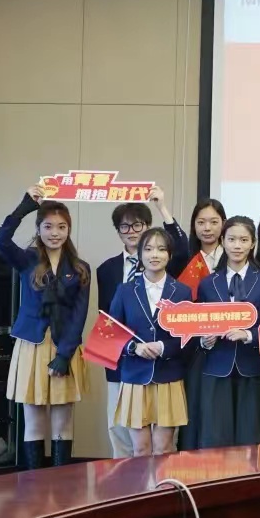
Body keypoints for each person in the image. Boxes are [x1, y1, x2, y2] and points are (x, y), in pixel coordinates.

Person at [0, 185, 90, 469]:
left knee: (63, 422)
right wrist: (26, 206)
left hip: (65, 348)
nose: (55, 233)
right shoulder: (27, 260)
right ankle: (32, 485)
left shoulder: (80, 267)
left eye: (62, 227)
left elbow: (79, 315)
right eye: (48, 226)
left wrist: (64, 355)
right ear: (38, 229)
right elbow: (1, 239)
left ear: (69, 230)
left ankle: (61, 485)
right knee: (34, 421)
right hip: (32, 345)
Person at [96, 187, 188, 458]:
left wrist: (164, 347)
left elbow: (189, 337)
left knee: (164, 449)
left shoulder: (181, 291)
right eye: (148, 249)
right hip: (133, 373)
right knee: (138, 448)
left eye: (161, 249)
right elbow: (108, 329)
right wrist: (132, 348)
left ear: (169, 255)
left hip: (168, 374)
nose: (154, 254)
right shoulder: (124, 288)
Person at [196, 216, 260, 448]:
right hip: (216, 368)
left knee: (250, 437)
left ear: (253, 243)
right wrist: (204, 341)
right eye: (232, 239)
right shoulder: (208, 283)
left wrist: (249, 335)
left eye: (244, 240)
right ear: (222, 241)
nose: (237, 245)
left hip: (252, 368)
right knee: (215, 438)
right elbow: (195, 327)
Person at [174, 198, 226, 452]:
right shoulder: (186, 260)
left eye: (214, 222)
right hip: (194, 349)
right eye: (201, 222)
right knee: (195, 408)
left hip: (228, 346)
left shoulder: (234, 256)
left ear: (224, 224)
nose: (207, 228)